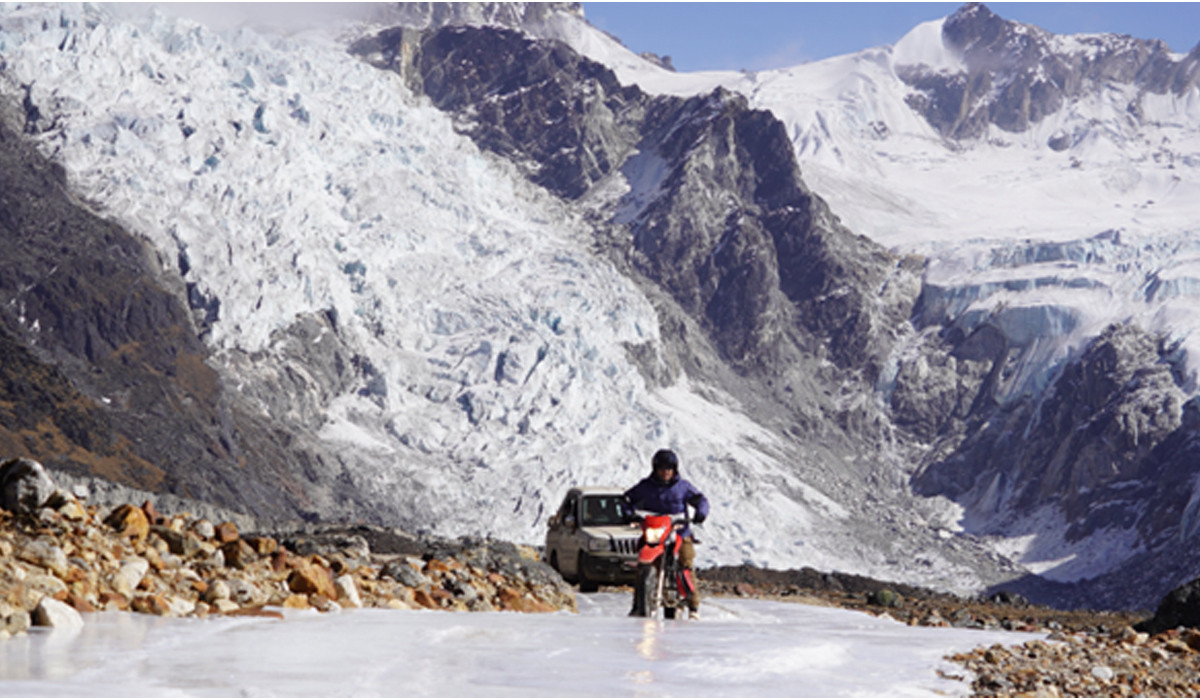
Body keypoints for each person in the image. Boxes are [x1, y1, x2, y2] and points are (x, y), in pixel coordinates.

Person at [624, 448, 710, 617]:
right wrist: (628, 513)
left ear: (675, 470)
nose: (666, 472)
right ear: (655, 469)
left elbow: (700, 500)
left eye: (669, 468)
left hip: (679, 532)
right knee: (643, 565)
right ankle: (638, 604)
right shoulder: (645, 487)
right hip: (655, 533)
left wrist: (701, 513)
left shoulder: (682, 487)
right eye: (662, 468)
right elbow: (627, 499)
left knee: (686, 563)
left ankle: (693, 606)